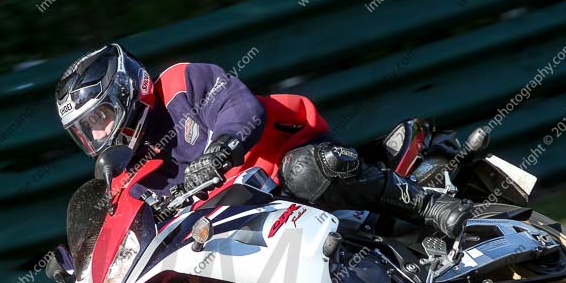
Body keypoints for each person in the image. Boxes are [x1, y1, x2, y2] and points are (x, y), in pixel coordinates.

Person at [55, 43, 473, 238]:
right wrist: (79, 264)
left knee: (308, 170)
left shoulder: (179, 83)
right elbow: (123, 225)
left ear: (126, 91)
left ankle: (430, 205)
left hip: (287, 162)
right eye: (84, 130)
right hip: (244, 219)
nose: (95, 134)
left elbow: (241, 110)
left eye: (99, 118)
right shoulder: (130, 170)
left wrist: (219, 150)